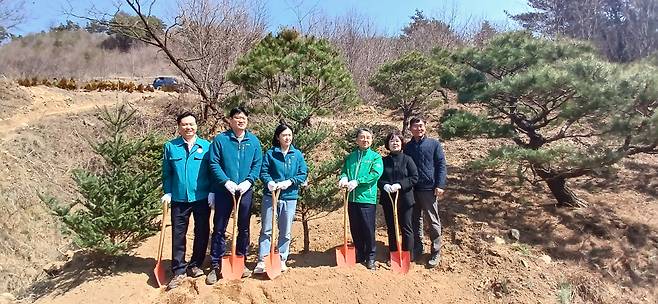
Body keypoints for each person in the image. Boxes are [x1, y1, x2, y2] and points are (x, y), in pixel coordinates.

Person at [206, 107, 263, 284]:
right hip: (225, 190)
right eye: (237, 117)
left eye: (244, 117)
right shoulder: (221, 140)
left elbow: (257, 163)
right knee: (220, 228)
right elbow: (213, 163)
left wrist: (249, 181)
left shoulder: (253, 141)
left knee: (244, 227)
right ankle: (216, 265)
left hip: (245, 190)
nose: (241, 120)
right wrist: (225, 181)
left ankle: (241, 260)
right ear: (230, 120)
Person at [161, 112, 213, 290]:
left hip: (201, 197)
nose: (188, 127)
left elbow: (212, 172)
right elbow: (167, 173)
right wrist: (167, 192)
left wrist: (212, 192)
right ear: (179, 127)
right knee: (178, 234)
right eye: (184, 124)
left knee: (202, 231)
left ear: (196, 126)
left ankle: (196, 264)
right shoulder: (171, 147)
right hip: (179, 198)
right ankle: (178, 269)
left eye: (191, 124)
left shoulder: (206, 146)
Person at [253, 123, 308, 274]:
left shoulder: (296, 154)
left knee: (285, 230)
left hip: (289, 197)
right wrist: (269, 182)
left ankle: (282, 259)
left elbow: (303, 173)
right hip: (270, 196)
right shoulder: (271, 153)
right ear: (278, 137)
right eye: (284, 135)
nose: (287, 137)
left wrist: (290, 182)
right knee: (267, 229)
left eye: (290, 134)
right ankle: (263, 260)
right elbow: (263, 171)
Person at [404, 116, 447, 268]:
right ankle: (418, 247)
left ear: (425, 127)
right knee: (415, 220)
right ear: (410, 129)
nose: (418, 129)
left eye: (421, 126)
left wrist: (440, 184)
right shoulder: (407, 147)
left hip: (429, 189)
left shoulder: (434, 144)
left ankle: (436, 252)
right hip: (412, 190)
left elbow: (441, 165)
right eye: (415, 127)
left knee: (433, 221)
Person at [338, 128, 383, 270]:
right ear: (357, 140)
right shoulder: (351, 157)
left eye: (368, 137)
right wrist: (343, 178)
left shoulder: (375, 157)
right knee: (355, 227)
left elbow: (375, 174)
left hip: (366, 198)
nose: (365, 140)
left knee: (368, 228)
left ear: (372, 140)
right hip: (351, 198)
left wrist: (358, 181)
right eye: (362, 137)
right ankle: (360, 252)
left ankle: (371, 256)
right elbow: (345, 170)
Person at [378, 131, 418, 262]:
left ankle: (407, 254)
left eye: (397, 141)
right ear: (387, 144)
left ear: (401, 143)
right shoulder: (383, 161)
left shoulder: (408, 159)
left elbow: (414, 177)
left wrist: (400, 185)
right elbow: (378, 178)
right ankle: (394, 253)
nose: (394, 143)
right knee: (391, 227)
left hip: (405, 199)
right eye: (391, 141)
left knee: (406, 227)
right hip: (388, 199)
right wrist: (384, 186)